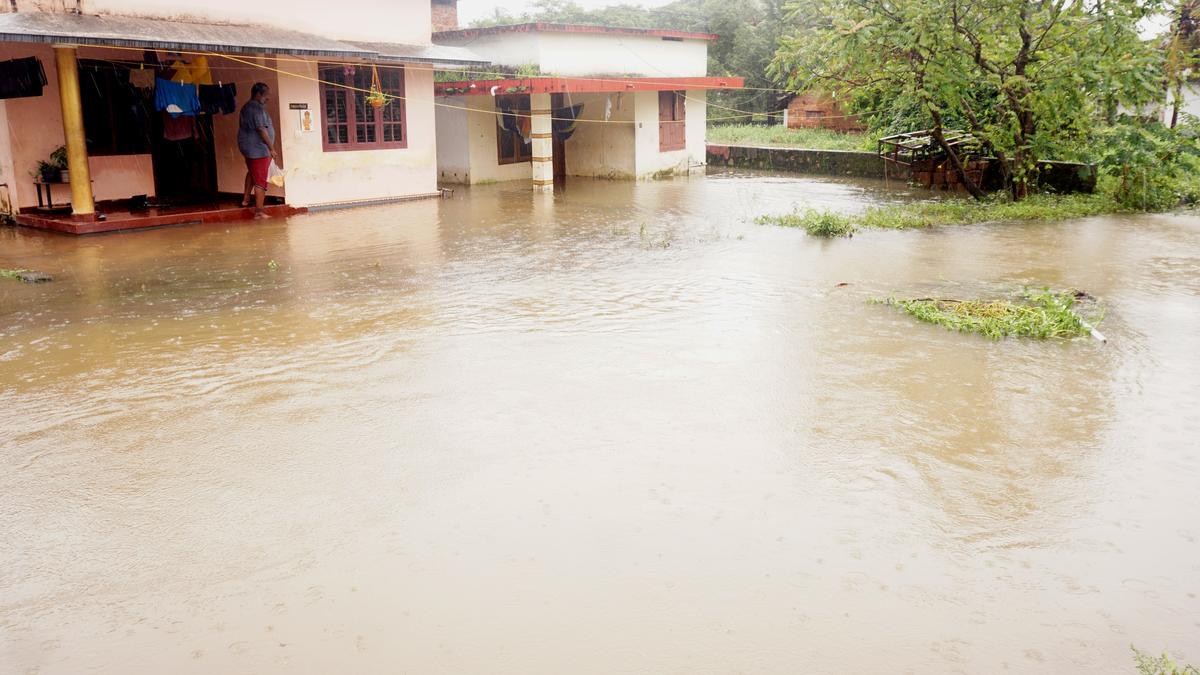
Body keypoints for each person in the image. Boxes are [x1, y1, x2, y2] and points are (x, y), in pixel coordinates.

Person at [238, 82, 277, 219]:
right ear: (258, 94)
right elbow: (261, 129)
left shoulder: (247, 107)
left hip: (249, 147)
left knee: (252, 172)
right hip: (258, 149)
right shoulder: (256, 109)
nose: (268, 98)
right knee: (260, 179)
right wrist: (271, 148)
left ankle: (246, 199)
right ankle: (259, 212)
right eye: (266, 95)